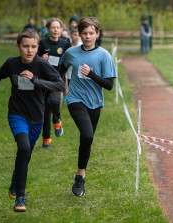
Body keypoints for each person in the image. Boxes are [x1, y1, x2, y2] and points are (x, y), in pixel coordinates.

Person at [0, 29, 65, 212]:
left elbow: (60, 85)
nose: (29, 50)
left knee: (25, 156)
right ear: (18, 46)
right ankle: (20, 197)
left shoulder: (42, 65)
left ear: (38, 47)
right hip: (17, 113)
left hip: (36, 117)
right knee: (24, 148)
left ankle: (15, 181)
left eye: (33, 47)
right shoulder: (11, 63)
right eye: (25, 46)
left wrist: (36, 80)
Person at [59, 17, 117, 197]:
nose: (87, 36)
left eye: (91, 33)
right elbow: (61, 69)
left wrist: (91, 74)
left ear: (97, 34)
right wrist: (59, 85)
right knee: (87, 134)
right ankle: (80, 176)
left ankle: (80, 174)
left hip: (95, 103)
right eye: (84, 33)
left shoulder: (104, 55)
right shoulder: (71, 52)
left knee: (88, 139)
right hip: (75, 99)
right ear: (79, 34)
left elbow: (108, 85)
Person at [38, 18, 70, 148]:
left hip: (58, 78)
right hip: (44, 79)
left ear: (61, 29)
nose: (55, 30)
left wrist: (61, 76)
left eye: (58, 27)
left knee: (55, 101)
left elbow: (68, 61)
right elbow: (34, 60)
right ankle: (46, 138)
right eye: (53, 27)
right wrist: (41, 58)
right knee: (45, 111)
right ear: (48, 29)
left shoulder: (65, 44)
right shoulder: (42, 43)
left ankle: (57, 120)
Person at [64, 26, 82, 104]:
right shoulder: (68, 47)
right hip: (70, 73)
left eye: (78, 35)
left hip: (81, 72)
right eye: (75, 35)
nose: (76, 37)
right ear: (70, 36)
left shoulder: (82, 46)